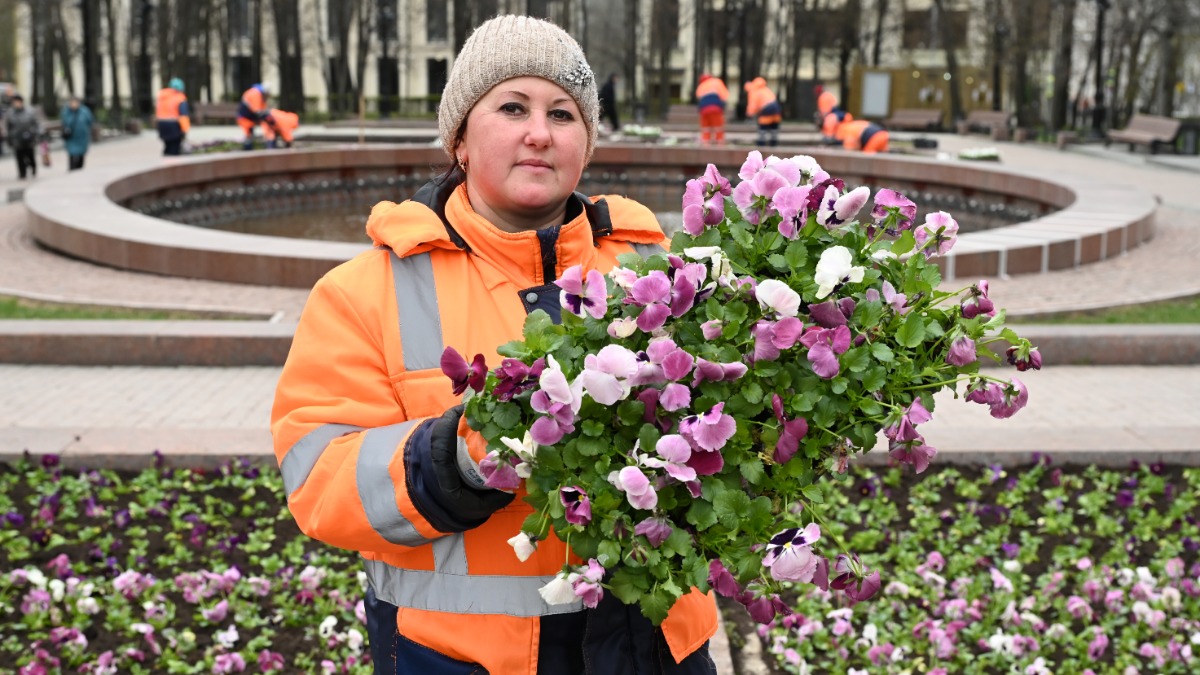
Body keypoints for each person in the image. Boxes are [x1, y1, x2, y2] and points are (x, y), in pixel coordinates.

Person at [271, 15, 718, 674]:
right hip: (456, 658)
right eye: (512, 107)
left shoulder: (658, 273)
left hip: (653, 648)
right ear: (459, 138)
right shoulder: (366, 291)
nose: (540, 132)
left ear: (586, 144)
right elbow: (317, 477)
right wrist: (458, 457)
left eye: (563, 114)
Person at [5, 94, 42, 179]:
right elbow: (8, 126)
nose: (16, 104)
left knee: (30, 155)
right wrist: (9, 138)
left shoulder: (30, 111)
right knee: (19, 157)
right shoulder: (10, 113)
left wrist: (35, 133)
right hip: (17, 139)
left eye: (18, 102)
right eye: (15, 102)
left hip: (29, 138)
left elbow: (36, 123)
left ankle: (33, 167)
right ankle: (22, 173)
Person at [155, 78, 190, 156]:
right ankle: (171, 161)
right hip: (174, 126)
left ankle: (165, 158)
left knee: (167, 145)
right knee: (174, 148)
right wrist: (185, 129)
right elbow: (183, 116)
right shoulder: (180, 98)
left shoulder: (162, 96)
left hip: (161, 125)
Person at [743, 77, 782, 147]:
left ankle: (761, 144)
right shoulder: (766, 89)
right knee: (774, 127)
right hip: (776, 108)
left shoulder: (754, 92)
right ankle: (774, 143)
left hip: (766, 109)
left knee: (763, 127)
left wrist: (749, 114)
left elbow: (753, 104)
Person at [61, 96, 95, 171]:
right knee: (72, 153)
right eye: (72, 103)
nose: (74, 104)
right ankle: (72, 168)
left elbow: (90, 121)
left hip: (82, 136)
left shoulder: (85, 111)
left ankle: (80, 168)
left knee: (81, 153)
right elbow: (64, 122)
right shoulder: (67, 112)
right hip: (71, 136)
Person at [695, 73, 729, 145]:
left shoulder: (701, 86)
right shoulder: (717, 82)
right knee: (718, 126)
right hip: (715, 108)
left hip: (704, 110)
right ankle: (719, 142)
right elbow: (724, 95)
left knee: (706, 127)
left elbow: (699, 97)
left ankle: (706, 142)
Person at [237, 82, 271, 150]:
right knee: (248, 136)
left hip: (248, 117)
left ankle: (249, 148)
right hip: (245, 118)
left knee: (250, 135)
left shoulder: (258, 93)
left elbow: (262, 108)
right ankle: (248, 150)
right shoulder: (255, 94)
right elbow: (257, 110)